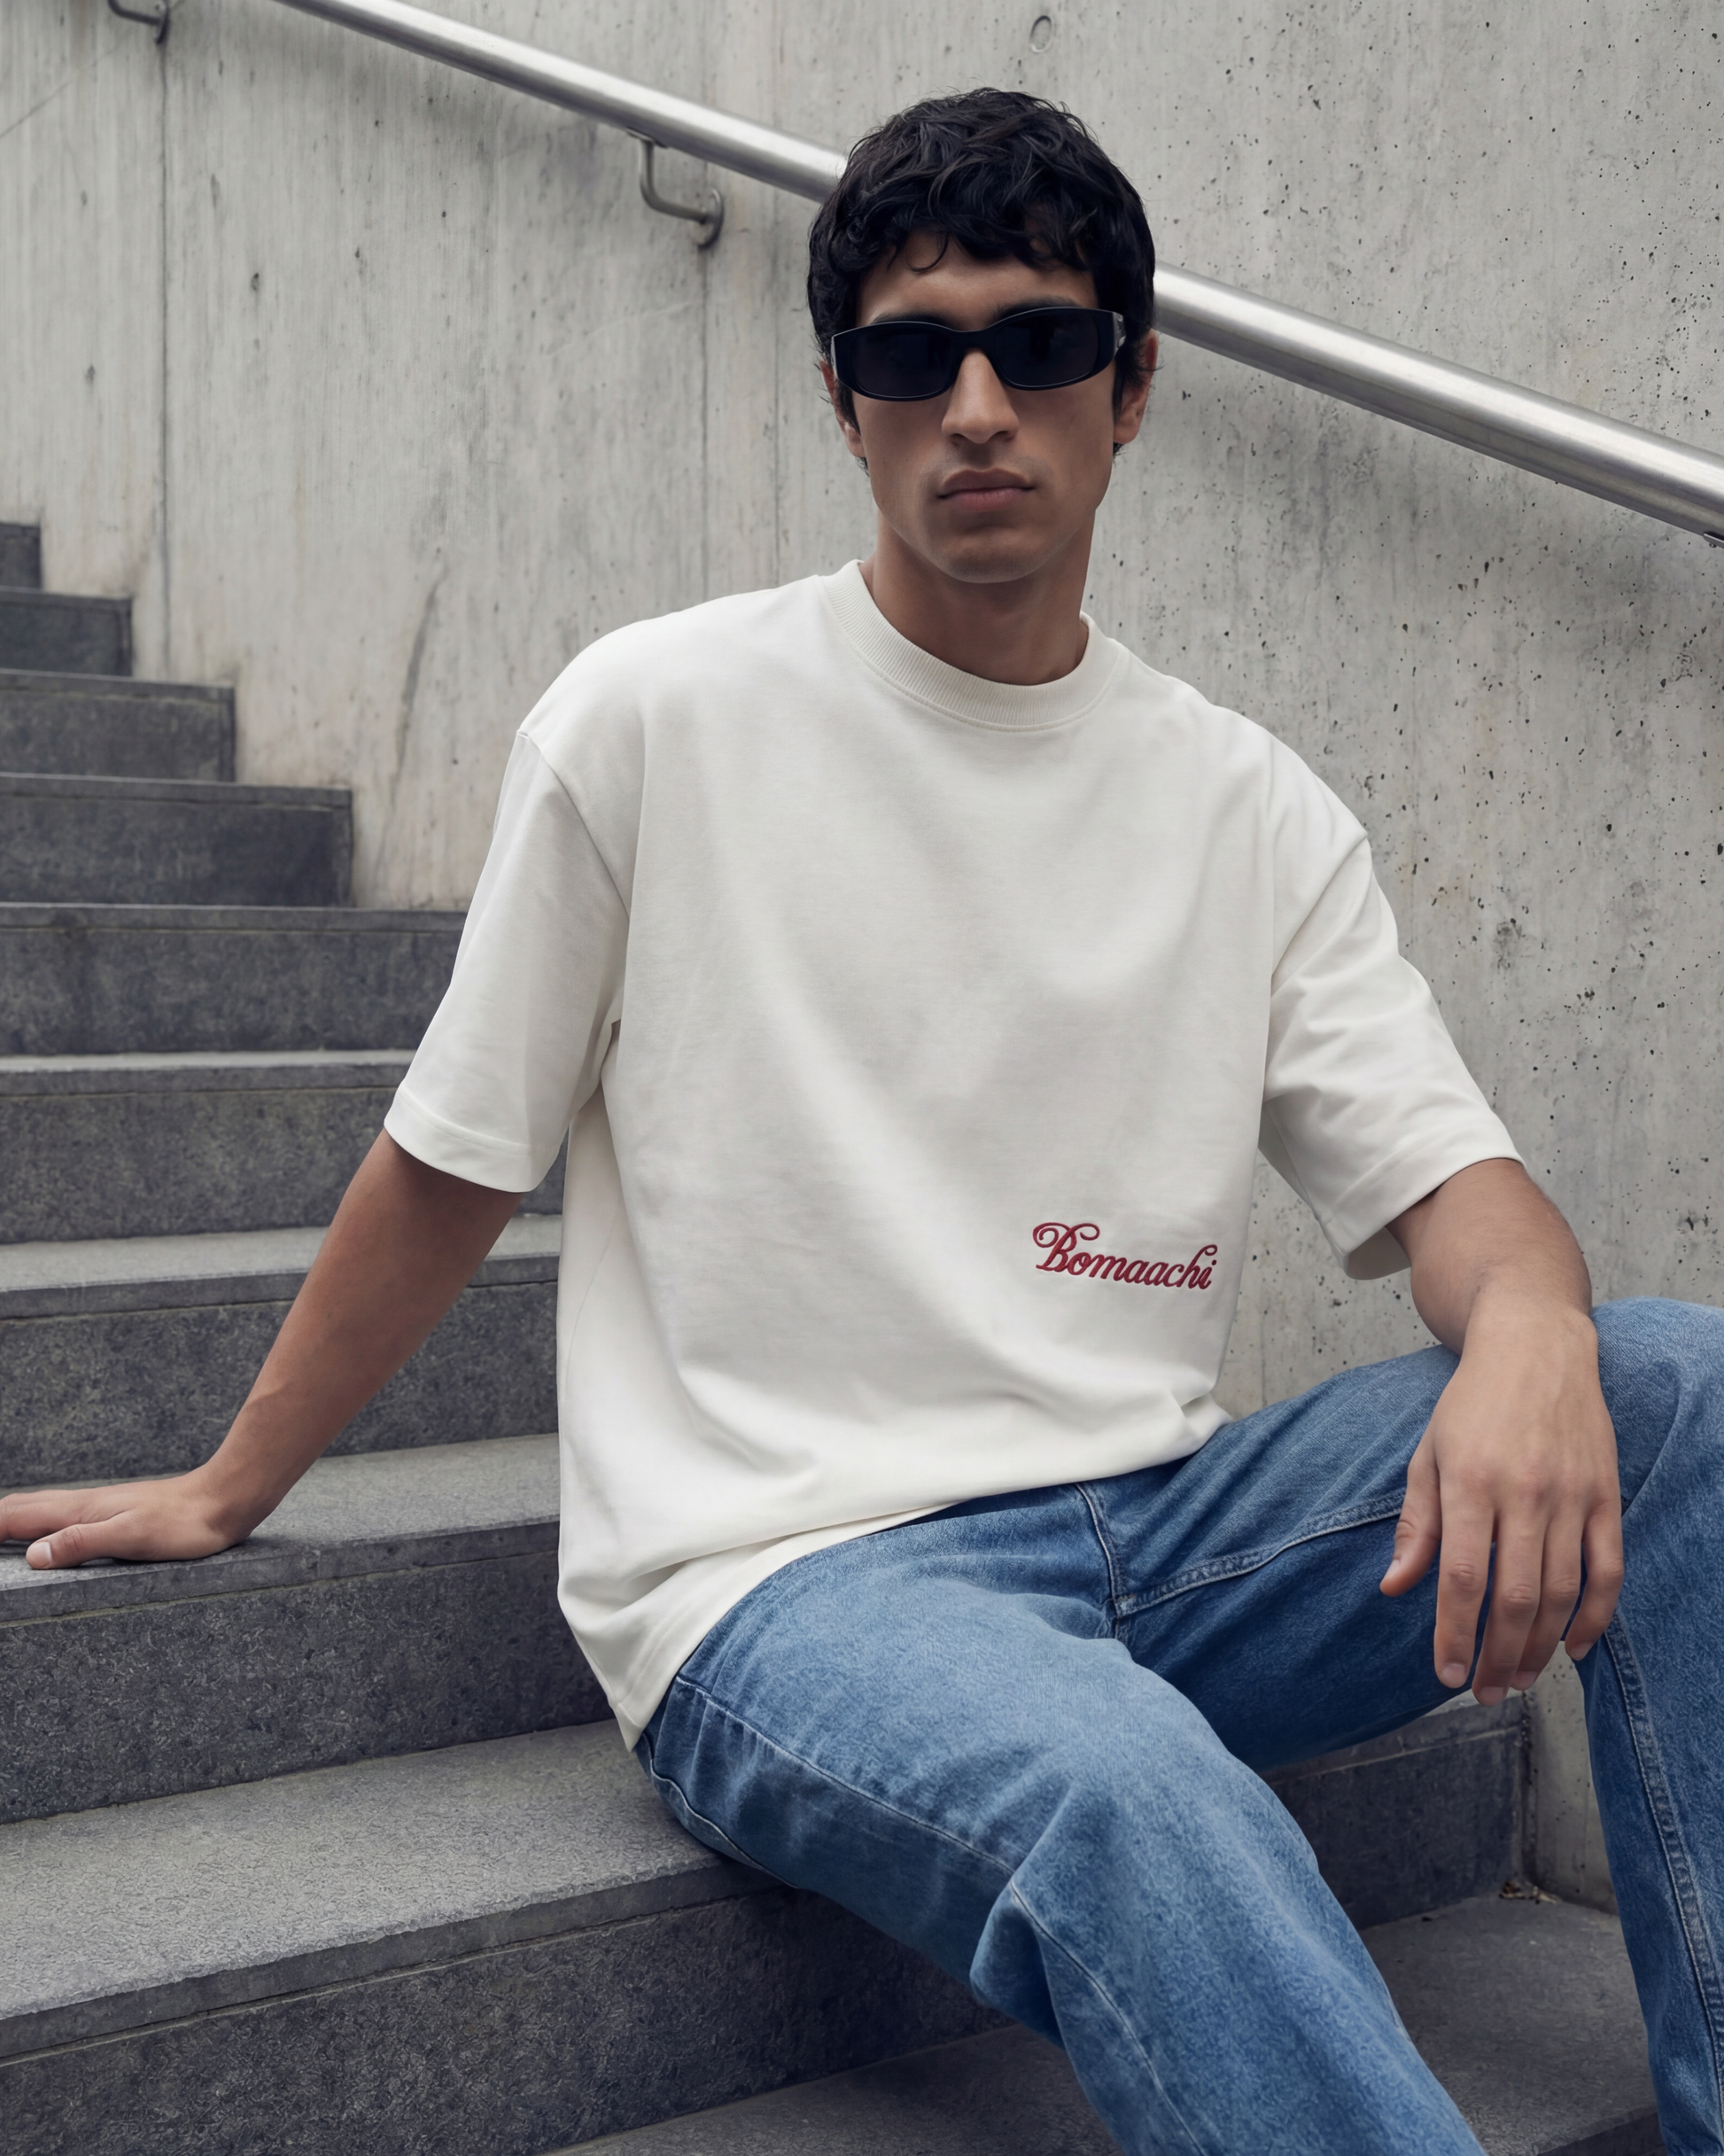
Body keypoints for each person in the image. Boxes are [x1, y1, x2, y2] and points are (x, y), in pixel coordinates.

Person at [4, 89, 1720, 2156]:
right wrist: (231, 1480)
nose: (975, 407)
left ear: (1133, 387)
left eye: (1041, 344)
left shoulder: (1244, 806)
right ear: (845, 401)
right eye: (914, 355)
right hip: (792, 1587)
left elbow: (1463, 1188)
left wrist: (1531, 1326)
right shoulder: (656, 719)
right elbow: (457, 1154)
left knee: (1672, 1388)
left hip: (1165, 1542)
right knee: (1122, 1783)